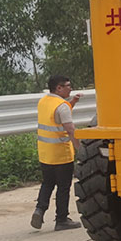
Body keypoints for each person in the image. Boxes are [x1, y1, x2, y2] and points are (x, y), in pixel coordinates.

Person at [31, 75, 83, 231]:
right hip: (61, 154)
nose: (70, 88)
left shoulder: (44, 101)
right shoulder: (62, 106)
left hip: (45, 153)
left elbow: (57, 116)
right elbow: (70, 129)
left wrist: (72, 102)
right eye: (67, 85)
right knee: (63, 187)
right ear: (59, 88)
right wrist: (79, 149)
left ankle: (39, 210)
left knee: (47, 183)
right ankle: (61, 220)